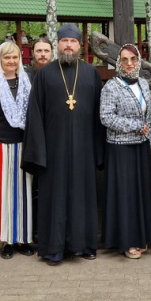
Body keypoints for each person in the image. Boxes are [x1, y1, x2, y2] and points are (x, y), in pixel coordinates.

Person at [22, 24, 104, 266]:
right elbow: (34, 115)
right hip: (53, 150)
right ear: (57, 44)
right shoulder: (45, 74)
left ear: (80, 46)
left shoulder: (91, 74)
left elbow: (100, 115)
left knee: (83, 196)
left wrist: (99, 152)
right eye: (64, 41)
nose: (68, 45)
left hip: (84, 149)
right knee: (54, 197)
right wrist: (38, 153)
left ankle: (84, 245)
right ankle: (54, 248)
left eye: (73, 41)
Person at [100, 44, 151, 260]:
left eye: (133, 59)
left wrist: (148, 141)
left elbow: (147, 117)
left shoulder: (143, 83)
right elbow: (106, 117)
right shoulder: (111, 87)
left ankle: (141, 237)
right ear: (118, 62)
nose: (129, 63)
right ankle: (127, 241)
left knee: (140, 194)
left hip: (140, 147)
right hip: (120, 148)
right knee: (125, 195)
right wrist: (134, 126)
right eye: (124, 59)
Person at [0, 41, 34, 258]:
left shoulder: (27, 82)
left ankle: (22, 239)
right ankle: (6, 241)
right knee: (1, 196)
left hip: (23, 145)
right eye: (6, 58)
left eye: (15, 58)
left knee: (23, 194)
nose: (11, 61)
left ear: (20, 59)